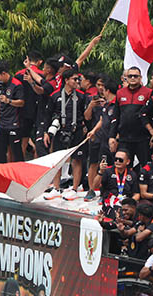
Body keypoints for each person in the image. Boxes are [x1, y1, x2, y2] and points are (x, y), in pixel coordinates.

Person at [43, 67, 90, 200]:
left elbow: (85, 115)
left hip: (77, 131)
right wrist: (46, 132)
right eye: (75, 79)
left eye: (78, 79)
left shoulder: (81, 96)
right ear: (66, 80)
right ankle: (56, 188)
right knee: (58, 160)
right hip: (60, 131)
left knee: (77, 160)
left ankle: (74, 189)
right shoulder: (55, 96)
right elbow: (47, 115)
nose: (77, 81)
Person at [0, 60, 25, 163]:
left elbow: (22, 102)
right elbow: (1, 105)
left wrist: (8, 100)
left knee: (16, 152)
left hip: (14, 123)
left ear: (3, 73)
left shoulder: (16, 85)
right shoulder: (1, 85)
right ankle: (2, 175)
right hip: (2, 123)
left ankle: (19, 176)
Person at [115, 66, 153, 170]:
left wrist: (152, 133)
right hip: (124, 137)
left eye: (135, 76)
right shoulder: (120, 93)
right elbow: (116, 116)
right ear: (126, 78)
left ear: (140, 78)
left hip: (143, 138)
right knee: (123, 167)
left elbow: (151, 115)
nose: (132, 78)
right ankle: (124, 186)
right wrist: (112, 136)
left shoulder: (148, 92)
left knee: (146, 167)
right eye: (130, 76)